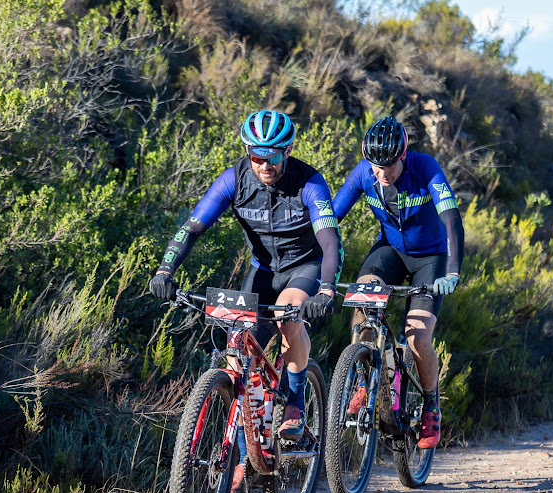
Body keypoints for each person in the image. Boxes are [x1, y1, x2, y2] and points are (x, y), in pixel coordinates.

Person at [150, 109, 342, 450]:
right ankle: (240, 460)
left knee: (287, 315)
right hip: (264, 270)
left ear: (289, 149)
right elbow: (191, 229)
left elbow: (330, 243)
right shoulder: (234, 179)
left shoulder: (310, 183)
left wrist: (325, 290)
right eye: (256, 155)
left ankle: (295, 403)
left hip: (305, 267)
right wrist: (165, 270)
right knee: (236, 355)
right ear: (247, 151)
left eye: (274, 155)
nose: (265, 165)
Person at [332, 116, 463, 449]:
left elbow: (451, 219)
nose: (382, 173)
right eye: (376, 166)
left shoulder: (425, 167)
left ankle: (431, 406)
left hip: (430, 257)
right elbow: (330, 219)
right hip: (389, 250)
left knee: (417, 338)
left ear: (403, 155)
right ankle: (365, 379)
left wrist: (452, 270)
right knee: (362, 303)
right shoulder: (364, 173)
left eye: (389, 165)